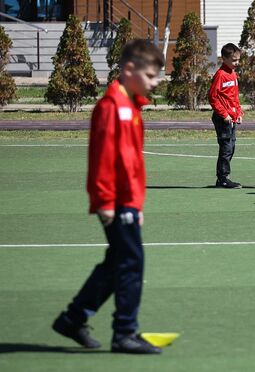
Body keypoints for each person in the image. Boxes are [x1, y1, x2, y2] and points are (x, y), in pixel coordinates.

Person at [52, 39, 165, 355]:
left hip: (127, 200)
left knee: (117, 262)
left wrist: (136, 204)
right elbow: (102, 158)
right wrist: (104, 202)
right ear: (129, 69)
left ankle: (72, 319)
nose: (154, 84)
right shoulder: (111, 107)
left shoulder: (131, 105)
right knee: (132, 263)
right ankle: (125, 332)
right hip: (114, 199)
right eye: (151, 77)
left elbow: (131, 160)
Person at [208, 43, 243, 189]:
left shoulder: (233, 73)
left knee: (231, 147)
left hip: (232, 117)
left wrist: (239, 112)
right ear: (224, 59)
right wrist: (224, 114)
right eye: (234, 60)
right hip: (223, 118)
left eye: (238, 60)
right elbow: (213, 97)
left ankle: (224, 177)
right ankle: (222, 178)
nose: (237, 63)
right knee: (226, 148)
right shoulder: (221, 75)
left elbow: (234, 96)